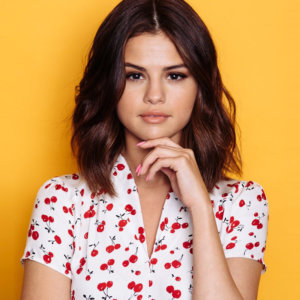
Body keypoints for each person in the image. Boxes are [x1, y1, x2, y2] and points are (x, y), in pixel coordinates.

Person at [20, 0, 269, 299]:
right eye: (134, 75)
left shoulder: (242, 204)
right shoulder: (62, 203)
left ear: (200, 86)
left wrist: (201, 208)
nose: (155, 95)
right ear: (109, 83)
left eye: (175, 75)